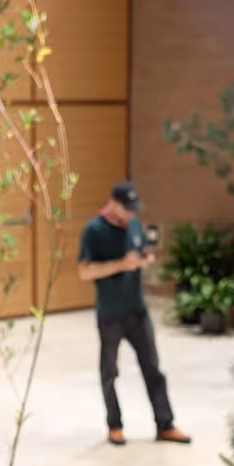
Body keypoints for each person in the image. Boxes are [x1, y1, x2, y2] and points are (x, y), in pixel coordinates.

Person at [76, 180, 192, 447]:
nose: (130, 213)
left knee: (153, 368)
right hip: (110, 313)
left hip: (137, 310)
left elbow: (139, 249)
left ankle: (165, 425)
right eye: (126, 208)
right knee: (109, 371)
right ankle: (114, 426)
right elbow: (84, 272)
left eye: (133, 208)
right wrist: (121, 265)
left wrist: (144, 258)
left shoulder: (135, 224)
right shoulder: (94, 230)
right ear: (112, 204)